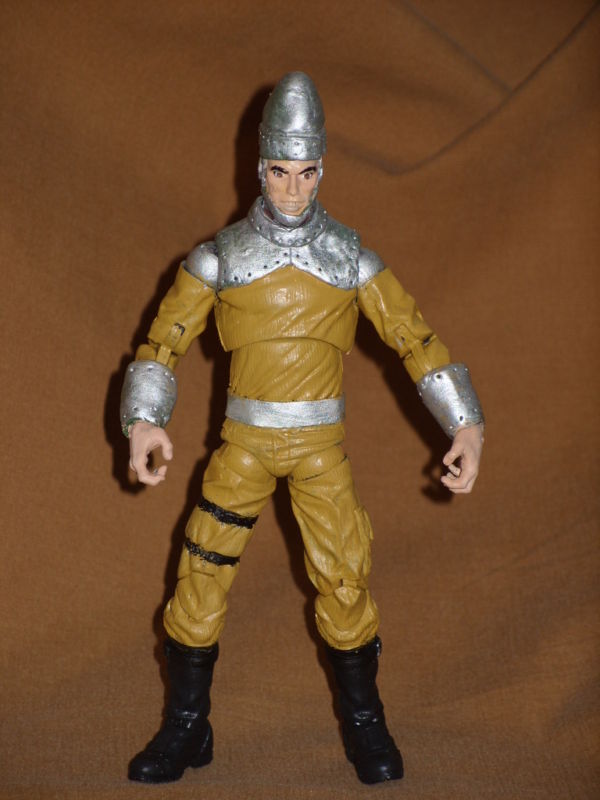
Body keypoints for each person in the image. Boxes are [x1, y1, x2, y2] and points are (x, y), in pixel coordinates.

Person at [120, 71, 484, 785]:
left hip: (320, 451)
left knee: (345, 579)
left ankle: (366, 724)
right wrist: (144, 419)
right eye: (280, 172)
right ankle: (186, 725)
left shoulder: (349, 258)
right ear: (260, 168)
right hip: (243, 447)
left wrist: (465, 423)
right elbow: (163, 341)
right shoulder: (220, 257)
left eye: (307, 172)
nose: (292, 189)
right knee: (200, 573)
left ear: (323, 170)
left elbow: (413, 338)